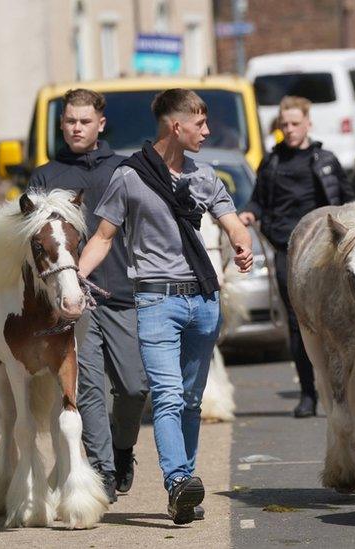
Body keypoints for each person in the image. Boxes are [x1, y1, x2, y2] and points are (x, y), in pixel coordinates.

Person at [79, 88, 253, 525]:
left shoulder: (204, 175)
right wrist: (76, 277)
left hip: (204, 300)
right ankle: (178, 481)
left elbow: (231, 221)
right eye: (200, 124)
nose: (207, 131)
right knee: (169, 397)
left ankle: (184, 489)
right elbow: (103, 237)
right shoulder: (130, 177)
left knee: (192, 400)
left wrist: (241, 242)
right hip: (156, 300)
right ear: (177, 126)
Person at [27, 88, 148, 505]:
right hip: (72, 302)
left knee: (134, 387)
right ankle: (102, 471)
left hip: (121, 292)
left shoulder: (125, 169)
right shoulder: (45, 176)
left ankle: (122, 449)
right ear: (62, 125)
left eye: (84, 121)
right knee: (90, 387)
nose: (76, 128)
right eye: (69, 122)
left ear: (100, 123)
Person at [237, 96, 354, 418]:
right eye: (283, 125)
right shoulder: (271, 162)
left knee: (337, 319)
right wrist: (248, 214)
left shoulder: (325, 160)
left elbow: (346, 200)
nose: (289, 130)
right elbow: (258, 201)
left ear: (307, 124)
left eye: (294, 124)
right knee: (297, 323)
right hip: (287, 251)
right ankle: (307, 394)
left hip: (325, 252)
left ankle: (342, 388)